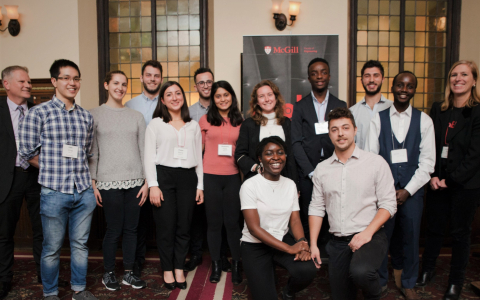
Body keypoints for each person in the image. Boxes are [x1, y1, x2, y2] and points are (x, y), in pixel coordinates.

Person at [18, 59, 97, 300]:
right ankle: (50, 293)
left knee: (80, 246)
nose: (72, 83)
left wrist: (91, 187)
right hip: (53, 192)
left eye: (76, 78)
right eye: (65, 78)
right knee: (51, 249)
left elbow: (89, 153)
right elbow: (26, 151)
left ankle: (78, 290)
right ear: (54, 81)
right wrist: (54, 168)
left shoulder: (86, 117)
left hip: (83, 191)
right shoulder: (37, 113)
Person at [309, 107, 397, 300]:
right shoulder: (322, 169)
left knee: (361, 272)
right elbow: (316, 207)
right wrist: (313, 244)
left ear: (355, 130)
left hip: (371, 235)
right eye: (334, 129)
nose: (340, 133)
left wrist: (366, 233)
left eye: (345, 127)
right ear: (329, 134)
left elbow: (389, 204)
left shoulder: (375, 163)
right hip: (338, 242)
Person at [365, 71, 435, 299]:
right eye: (400, 85)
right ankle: (381, 281)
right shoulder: (378, 118)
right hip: (384, 192)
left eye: (410, 86)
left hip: (412, 192)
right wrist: (386, 190)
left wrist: (408, 190)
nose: (404, 90)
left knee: (412, 238)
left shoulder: (424, 120)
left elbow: (427, 163)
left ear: (415, 89)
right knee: (382, 238)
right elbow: (371, 158)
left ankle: (408, 282)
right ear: (392, 87)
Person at [417, 60, 480, 300]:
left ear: (473, 80)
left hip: (465, 185)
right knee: (433, 230)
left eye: (464, 74)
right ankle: (428, 270)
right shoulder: (438, 109)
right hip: (437, 182)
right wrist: (432, 175)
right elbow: (431, 145)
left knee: (460, 234)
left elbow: (475, 155)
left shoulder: (477, 111)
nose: (458, 79)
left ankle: (455, 281)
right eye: (454, 75)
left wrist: (450, 180)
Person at [89, 70, 148, 291]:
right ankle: (109, 272)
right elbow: (92, 151)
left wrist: (146, 182)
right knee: (114, 229)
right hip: (107, 181)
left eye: (124, 84)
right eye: (115, 83)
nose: (120, 88)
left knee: (132, 229)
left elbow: (144, 151)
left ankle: (130, 273)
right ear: (106, 85)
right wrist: (93, 182)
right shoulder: (93, 114)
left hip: (135, 181)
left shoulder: (136, 117)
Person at [144, 81, 204, 290]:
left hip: (188, 179)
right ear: (162, 100)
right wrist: (153, 185)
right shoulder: (155, 124)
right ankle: (167, 269)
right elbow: (149, 157)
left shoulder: (193, 125)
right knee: (166, 227)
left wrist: (200, 186)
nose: (174, 97)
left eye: (178, 93)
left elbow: (199, 158)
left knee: (184, 227)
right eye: (169, 94)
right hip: (164, 178)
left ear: (183, 97)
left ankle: (179, 267)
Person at [240, 136, 316, 300]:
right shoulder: (249, 185)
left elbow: (295, 220)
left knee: (308, 270)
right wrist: (289, 249)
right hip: (255, 246)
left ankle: (289, 291)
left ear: (285, 157)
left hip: (281, 238)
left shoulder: (290, 184)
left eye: (280, 152)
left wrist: (302, 242)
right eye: (269, 153)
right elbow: (254, 228)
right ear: (260, 159)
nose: (275, 157)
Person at [291, 57, 346, 244]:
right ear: (309, 78)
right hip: (309, 172)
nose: (319, 76)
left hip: (335, 168)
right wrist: (311, 172)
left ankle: (330, 256)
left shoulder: (341, 105)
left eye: (323, 72)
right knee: (309, 214)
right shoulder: (300, 106)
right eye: (314, 73)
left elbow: (344, 140)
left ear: (329, 76)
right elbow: (295, 143)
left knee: (334, 213)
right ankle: (310, 255)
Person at [0, 66, 43, 299]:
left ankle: (44, 275)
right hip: (9, 177)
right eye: (22, 81)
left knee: (42, 231)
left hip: (37, 177)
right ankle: (4, 278)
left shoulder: (40, 111)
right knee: (4, 233)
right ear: (6, 84)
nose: (28, 85)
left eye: (29, 82)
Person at [185, 67, 230, 273]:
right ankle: (195, 253)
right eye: (201, 82)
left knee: (219, 215)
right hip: (195, 168)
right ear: (196, 86)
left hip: (219, 169)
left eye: (208, 82)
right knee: (196, 213)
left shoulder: (224, 105)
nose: (205, 86)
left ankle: (222, 256)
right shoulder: (190, 112)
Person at [199, 80, 243, 284]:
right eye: (218, 96)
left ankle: (236, 263)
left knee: (233, 224)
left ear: (232, 97)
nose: (223, 99)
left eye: (226, 95)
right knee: (214, 224)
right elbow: (197, 152)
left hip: (233, 177)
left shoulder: (241, 121)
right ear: (213, 99)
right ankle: (216, 263)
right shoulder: (205, 120)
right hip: (211, 177)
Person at [125, 60, 163, 277]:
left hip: (163, 167)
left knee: (163, 217)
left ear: (160, 79)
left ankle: (166, 259)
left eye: (156, 76)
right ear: (141, 78)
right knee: (138, 220)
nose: (152, 79)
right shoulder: (130, 106)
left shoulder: (167, 103)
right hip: (138, 170)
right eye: (148, 75)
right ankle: (137, 261)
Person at [235, 80, 297, 183]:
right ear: (257, 102)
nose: (267, 99)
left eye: (270, 94)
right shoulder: (248, 124)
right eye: (262, 96)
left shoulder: (286, 123)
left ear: (276, 98)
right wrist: (256, 167)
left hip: (284, 180)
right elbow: (240, 154)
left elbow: (291, 156)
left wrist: (295, 184)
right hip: (257, 180)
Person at [350, 60, 393, 149]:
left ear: (383, 79)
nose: (371, 80)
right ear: (361, 80)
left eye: (376, 75)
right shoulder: (352, 112)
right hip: (361, 162)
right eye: (367, 76)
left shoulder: (392, 108)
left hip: (387, 162)